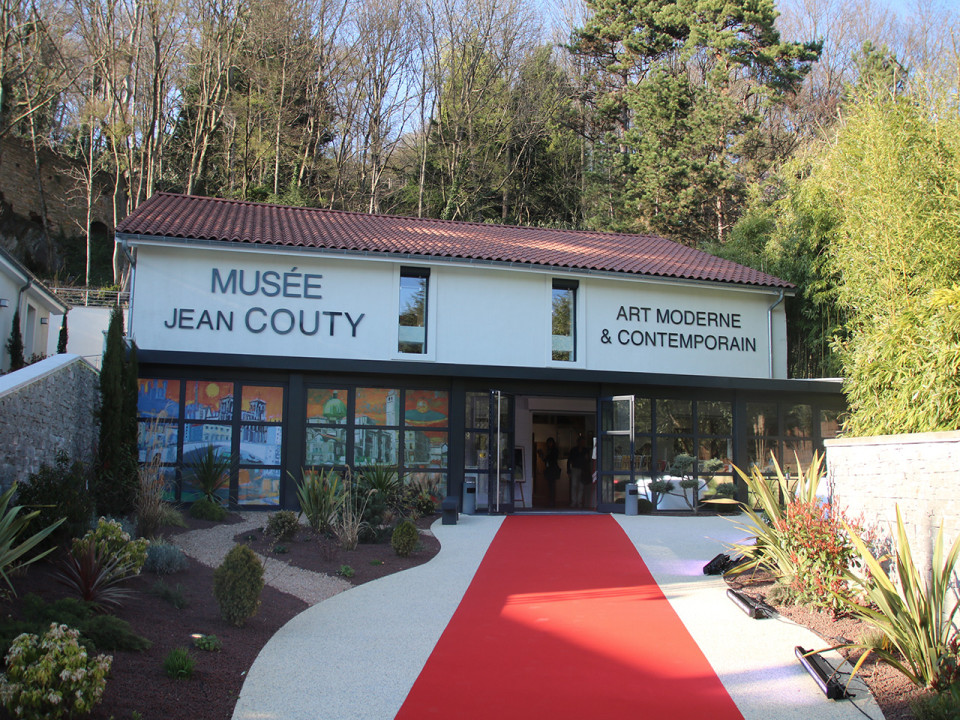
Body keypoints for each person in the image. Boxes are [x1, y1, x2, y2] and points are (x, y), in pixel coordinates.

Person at [567, 435, 591, 508]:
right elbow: (569, 460)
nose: (582, 443)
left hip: (583, 470)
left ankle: (579, 502)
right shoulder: (573, 450)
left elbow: (588, 461)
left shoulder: (585, 450)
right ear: (578, 442)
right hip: (575, 469)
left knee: (581, 486)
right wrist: (568, 470)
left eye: (583, 442)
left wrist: (587, 459)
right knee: (574, 486)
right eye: (581, 442)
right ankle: (574, 502)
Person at [540, 437, 560, 507]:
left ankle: (552, 501)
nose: (549, 444)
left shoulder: (554, 450)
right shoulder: (548, 450)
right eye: (548, 443)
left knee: (552, 485)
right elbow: (546, 460)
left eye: (550, 443)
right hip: (549, 469)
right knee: (550, 485)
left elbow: (552, 458)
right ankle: (551, 501)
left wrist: (546, 457)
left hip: (552, 469)